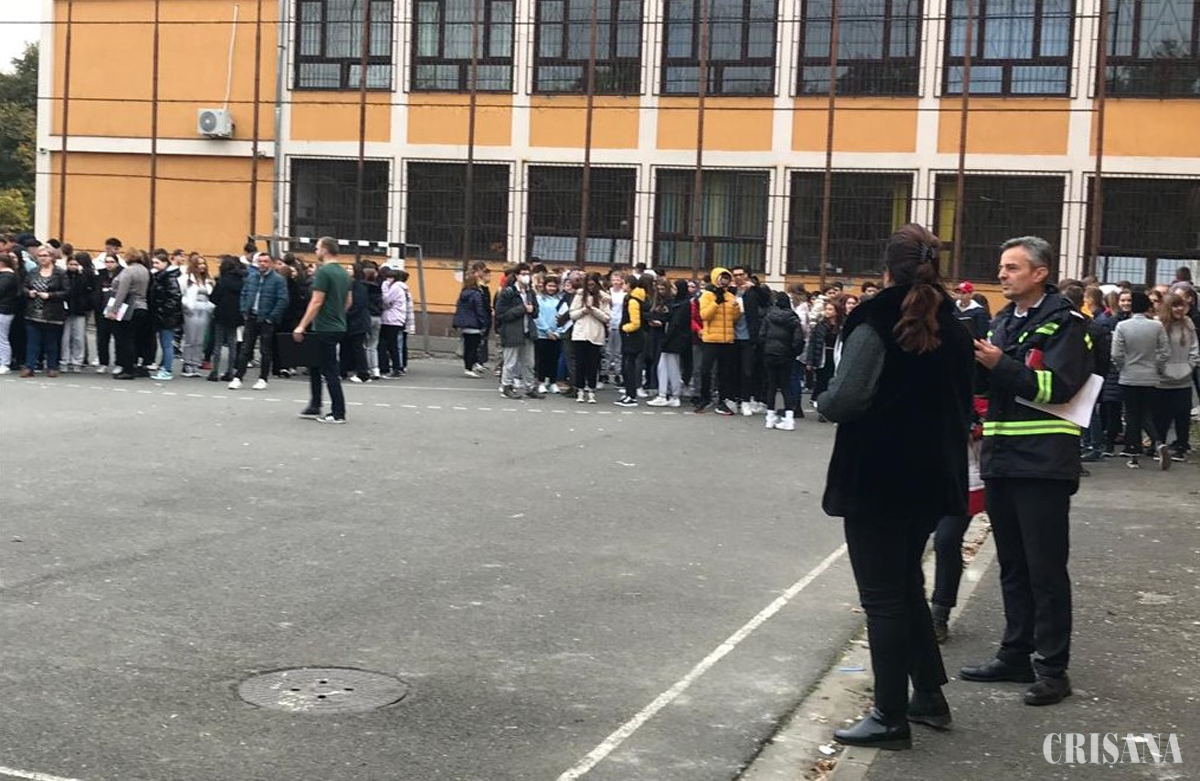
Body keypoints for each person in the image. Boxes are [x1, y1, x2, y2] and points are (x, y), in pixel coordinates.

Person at [821, 224, 974, 750]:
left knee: (883, 598)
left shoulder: (875, 319)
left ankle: (889, 715)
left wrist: (823, 400)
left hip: (879, 477)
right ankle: (927, 695)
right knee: (906, 586)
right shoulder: (954, 323)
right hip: (933, 476)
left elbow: (845, 398)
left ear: (886, 267)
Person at [963, 236, 1092, 708]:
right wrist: (975, 366)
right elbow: (993, 388)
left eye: (1012, 267)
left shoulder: (1067, 325)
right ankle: (1015, 653)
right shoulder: (1001, 321)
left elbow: (1057, 387)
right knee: (1013, 566)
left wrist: (1001, 364)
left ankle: (1053, 669)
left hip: (1042, 464)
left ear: (1040, 273)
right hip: (1001, 459)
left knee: (1045, 569)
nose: (1002, 274)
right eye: (1001, 267)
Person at [294, 237, 352, 424]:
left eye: (317, 248)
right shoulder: (344, 272)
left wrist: (302, 325)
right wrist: (338, 313)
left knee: (329, 369)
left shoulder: (324, 272)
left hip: (324, 327)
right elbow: (348, 301)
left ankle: (338, 412)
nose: (316, 251)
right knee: (315, 364)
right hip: (338, 325)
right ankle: (315, 404)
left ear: (325, 250)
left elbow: (316, 301)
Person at [1112, 291, 1171, 468]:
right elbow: (1164, 352)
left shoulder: (1122, 326)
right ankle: (1158, 441)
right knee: (1146, 413)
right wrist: (1158, 368)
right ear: (1147, 306)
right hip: (1150, 375)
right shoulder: (1157, 326)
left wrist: (1122, 367)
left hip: (1129, 375)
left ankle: (1133, 454)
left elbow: (1116, 354)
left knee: (1131, 415)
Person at [230, 251, 287, 390]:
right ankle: (238, 377)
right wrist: (244, 310)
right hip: (251, 316)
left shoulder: (278, 280)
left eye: (265, 261)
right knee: (245, 348)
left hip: (267, 319)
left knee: (265, 350)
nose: (262, 264)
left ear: (271, 263)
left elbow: (283, 300)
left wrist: (271, 317)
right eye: (260, 261)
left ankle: (263, 378)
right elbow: (244, 293)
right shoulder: (251, 277)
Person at [1154, 292, 1199, 461]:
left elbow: (1194, 348)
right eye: (1175, 305)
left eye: (1181, 305)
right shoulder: (1157, 325)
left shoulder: (1188, 323)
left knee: (1182, 414)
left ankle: (1181, 445)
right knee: (1161, 416)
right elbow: (1154, 350)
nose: (1179, 309)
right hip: (1162, 380)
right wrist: (1161, 369)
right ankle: (1160, 446)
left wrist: (1190, 366)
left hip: (1184, 379)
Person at [695, 267, 742, 415]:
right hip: (711, 339)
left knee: (724, 373)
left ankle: (722, 401)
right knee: (706, 370)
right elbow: (705, 316)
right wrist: (716, 302)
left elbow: (734, 319)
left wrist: (736, 308)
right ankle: (704, 398)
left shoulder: (730, 296)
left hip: (727, 339)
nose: (724, 281)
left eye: (727, 278)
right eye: (722, 278)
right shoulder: (707, 295)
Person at [495, 261, 543, 400]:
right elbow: (501, 314)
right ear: (516, 275)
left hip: (528, 332)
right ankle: (507, 386)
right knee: (510, 362)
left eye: (528, 274)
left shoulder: (530, 292)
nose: (526, 276)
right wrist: (521, 309)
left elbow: (536, 312)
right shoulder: (508, 292)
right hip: (512, 332)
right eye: (523, 274)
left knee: (529, 363)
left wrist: (533, 310)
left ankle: (529, 387)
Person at [21, 245, 70, 377]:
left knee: (51, 342)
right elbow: (24, 287)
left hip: (52, 313)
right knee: (32, 342)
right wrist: (29, 292)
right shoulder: (33, 271)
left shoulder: (60, 273)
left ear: (52, 257)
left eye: (45, 256)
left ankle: (52, 367)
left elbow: (66, 292)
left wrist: (50, 295)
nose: (42, 258)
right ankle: (29, 367)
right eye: (40, 256)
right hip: (33, 311)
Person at [759, 291, 806, 431]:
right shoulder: (793, 318)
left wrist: (765, 349)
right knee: (786, 385)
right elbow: (798, 340)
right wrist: (793, 353)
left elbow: (761, 336)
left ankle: (770, 418)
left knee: (772, 386)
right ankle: (789, 418)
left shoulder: (769, 316)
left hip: (770, 354)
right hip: (786, 355)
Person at [107, 248, 151, 380]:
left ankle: (127, 369)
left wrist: (113, 310)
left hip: (129, 307)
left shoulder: (128, 271)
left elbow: (122, 292)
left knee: (125, 339)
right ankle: (135, 366)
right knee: (134, 338)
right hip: (142, 306)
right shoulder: (145, 271)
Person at [569, 272, 611, 404]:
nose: (590, 287)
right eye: (588, 285)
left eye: (593, 285)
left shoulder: (604, 298)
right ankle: (580, 390)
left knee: (593, 364)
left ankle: (591, 390)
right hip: (580, 334)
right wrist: (583, 310)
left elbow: (607, 317)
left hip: (596, 334)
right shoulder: (580, 295)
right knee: (580, 364)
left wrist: (593, 310)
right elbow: (572, 315)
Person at [649, 279, 689, 408]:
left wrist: (666, 338)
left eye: (675, 289)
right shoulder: (678, 303)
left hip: (673, 340)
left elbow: (675, 324)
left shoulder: (682, 305)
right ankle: (665, 394)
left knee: (672, 368)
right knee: (664, 367)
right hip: (672, 339)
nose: (672, 291)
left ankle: (673, 395)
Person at [806, 297, 844, 420]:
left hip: (836, 356)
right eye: (826, 309)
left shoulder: (842, 326)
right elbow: (813, 343)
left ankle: (829, 408)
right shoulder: (820, 325)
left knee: (833, 382)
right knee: (821, 382)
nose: (827, 312)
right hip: (822, 356)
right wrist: (810, 361)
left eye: (830, 309)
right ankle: (821, 408)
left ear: (837, 311)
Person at [207, 257, 244, 382]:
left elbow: (214, 298)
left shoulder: (222, 281)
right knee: (232, 343)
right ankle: (230, 371)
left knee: (218, 343)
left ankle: (215, 372)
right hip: (236, 314)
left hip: (221, 314)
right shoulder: (241, 280)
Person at [148, 252, 183, 380]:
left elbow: (174, 297)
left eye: (157, 263)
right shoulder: (162, 276)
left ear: (165, 263)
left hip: (167, 316)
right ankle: (164, 367)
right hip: (164, 315)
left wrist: (163, 310)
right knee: (165, 343)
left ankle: (167, 369)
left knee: (167, 343)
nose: (154, 265)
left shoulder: (169, 278)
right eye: (153, 263)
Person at [180, 254, 214, 378]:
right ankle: (187, 364)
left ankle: (195, 363)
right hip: (192, 309)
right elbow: (181, 294)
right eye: (199, 263)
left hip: (205, 310)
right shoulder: (186, 279)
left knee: (200, 339)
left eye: (203, 263)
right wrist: (186, 306)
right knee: (190, 338)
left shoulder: (208, 280)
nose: (202, 266)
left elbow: (211, 296)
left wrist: (210, 307)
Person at [452, 269, 491, 378]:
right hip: (475, 324)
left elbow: (459, 309)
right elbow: (479, 309)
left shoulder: (463, 293)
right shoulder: (476, 294)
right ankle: (469, 367)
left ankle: (468, 366)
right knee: (473, 347)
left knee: (467, 346)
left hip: (465, 324)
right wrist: (483, 322)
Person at [60, 252, 95, 373]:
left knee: (78, 337)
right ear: (67, 264)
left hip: (80, 310)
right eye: (71, 264)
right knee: (65, 337)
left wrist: (85, 305)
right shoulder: (63, 276)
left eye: (76, 264)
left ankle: (77, 361)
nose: (73, 266)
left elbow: (87, 291)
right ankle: (64, 360)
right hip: (66, 310)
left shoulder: (83, 277)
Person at [616, 273, 647, 407]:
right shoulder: (631, 298)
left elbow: (635, 322)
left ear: (629, 285)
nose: (621, 285)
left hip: (632, 338)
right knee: (627, 365)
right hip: (630, 337)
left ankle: (631, 396)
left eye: (623, 283)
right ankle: (629, 393)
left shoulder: (633, 301)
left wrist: (624, 328)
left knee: (629, 366)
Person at [534, 274, 568, 394]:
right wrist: (547, 330)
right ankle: (541, 382)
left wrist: (557, 332)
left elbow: (564, 317)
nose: (552, 288)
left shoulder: (560, 300)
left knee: (554, 359)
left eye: (554, 286)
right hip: (542, 334)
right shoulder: (539, 299)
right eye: (549, 286)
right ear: (544, 286)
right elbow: (537, 316)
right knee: (542, 359)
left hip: (557, 335)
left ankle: (553, 382)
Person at [93, 253, 121, 372]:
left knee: (119, 338)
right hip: (101, 310)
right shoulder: (100, 274)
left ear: (117, 262)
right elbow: (96, 291)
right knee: (102, 339)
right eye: (107, 262)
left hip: (117, 310)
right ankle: (103, 362)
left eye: (111, 262)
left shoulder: (122, 273)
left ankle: (119, 363)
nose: (109, 264)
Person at [0, 252, 20, 373]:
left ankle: (5, 363)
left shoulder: (7, 276)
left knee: (2, 337)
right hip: (5, 309)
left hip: (4, 310)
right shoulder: (8, 275)